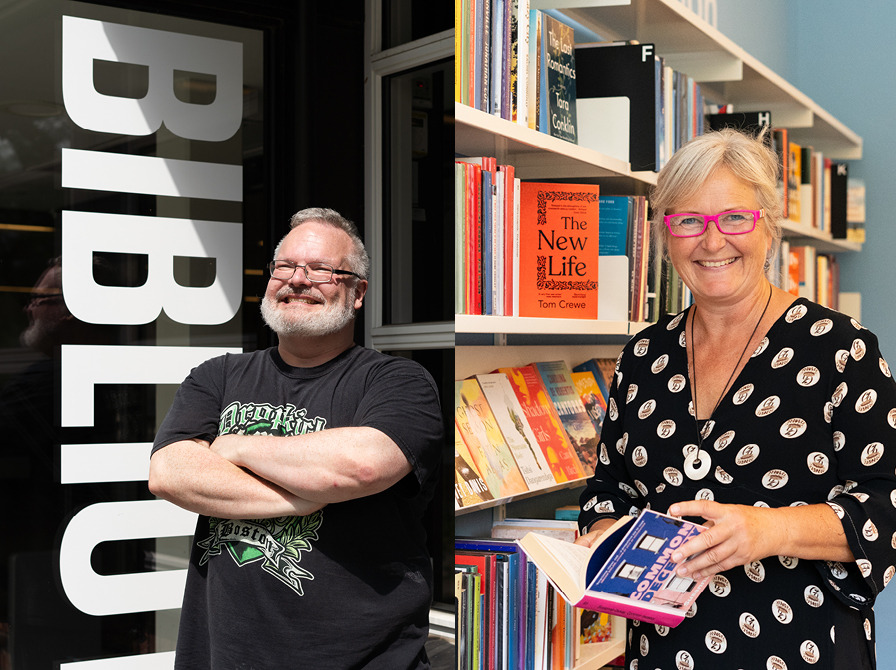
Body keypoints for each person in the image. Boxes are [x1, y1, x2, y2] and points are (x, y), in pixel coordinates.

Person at [575, 129, 896, 669]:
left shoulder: (843, 350)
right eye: (688, 221)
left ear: (768, 225)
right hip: (663, 651)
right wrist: (605, 534)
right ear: (664, 236)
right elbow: (609, 490)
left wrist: (766, 529)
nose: (712, 240)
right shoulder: (642, 356)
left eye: (734, 218)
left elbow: (887, 511)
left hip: (801, 648)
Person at [148, 207, 443, 669]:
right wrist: (300, 498)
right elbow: (170, 473)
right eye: (284, 266)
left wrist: (236, 446)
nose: (298, 280)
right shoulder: (218, 376)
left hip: (363, 660)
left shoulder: (398, 381)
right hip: (224, 657)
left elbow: (360, 466)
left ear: (357, 292)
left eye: (322, 270)